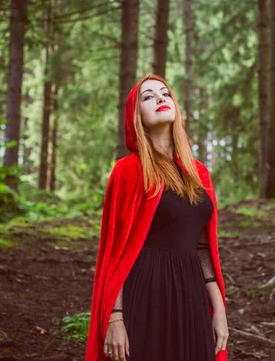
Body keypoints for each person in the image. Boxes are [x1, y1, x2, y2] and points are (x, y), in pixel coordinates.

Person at [85, 74, 229, 361]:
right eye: (148, 96)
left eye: (165, 93)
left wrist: (220, 310)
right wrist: (115, 317)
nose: (161, 98)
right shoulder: (128, 170)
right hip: (147, 289)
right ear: (136, 116)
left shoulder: (197, 173)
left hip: (192, 294)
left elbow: (202, 248)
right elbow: (117, 252)